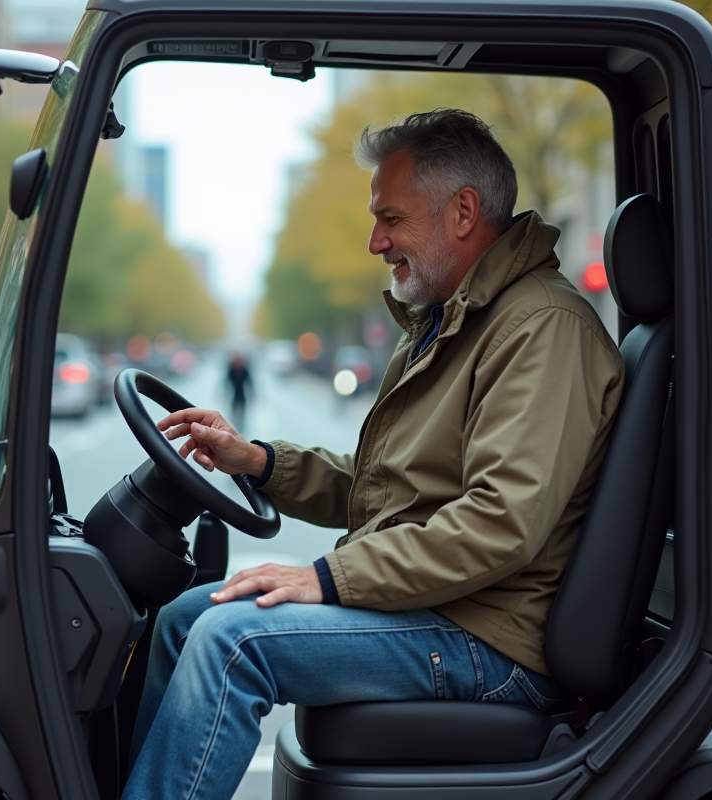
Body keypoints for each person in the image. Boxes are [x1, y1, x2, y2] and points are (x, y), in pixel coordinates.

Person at [124, 110, 626, 800]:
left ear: (463, 211)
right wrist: (257, 461)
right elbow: (384, 490)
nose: (374, 241)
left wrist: (329, 579)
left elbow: (499, 525)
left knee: (230, 641)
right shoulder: (452, 319)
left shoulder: (541, 329)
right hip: (446, 609)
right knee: (188, 617)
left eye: (391, 217)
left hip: (490, 638)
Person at [224, 352, 253, 430]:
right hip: (234, 395)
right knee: (233, 412)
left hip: (242, 395)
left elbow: (250, 383)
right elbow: (226, 382)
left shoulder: (244, 370)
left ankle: (240, 428)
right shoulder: (231, 369)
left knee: (242, 413)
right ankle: (234, 426)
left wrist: (252, 395)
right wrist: (224, 394)